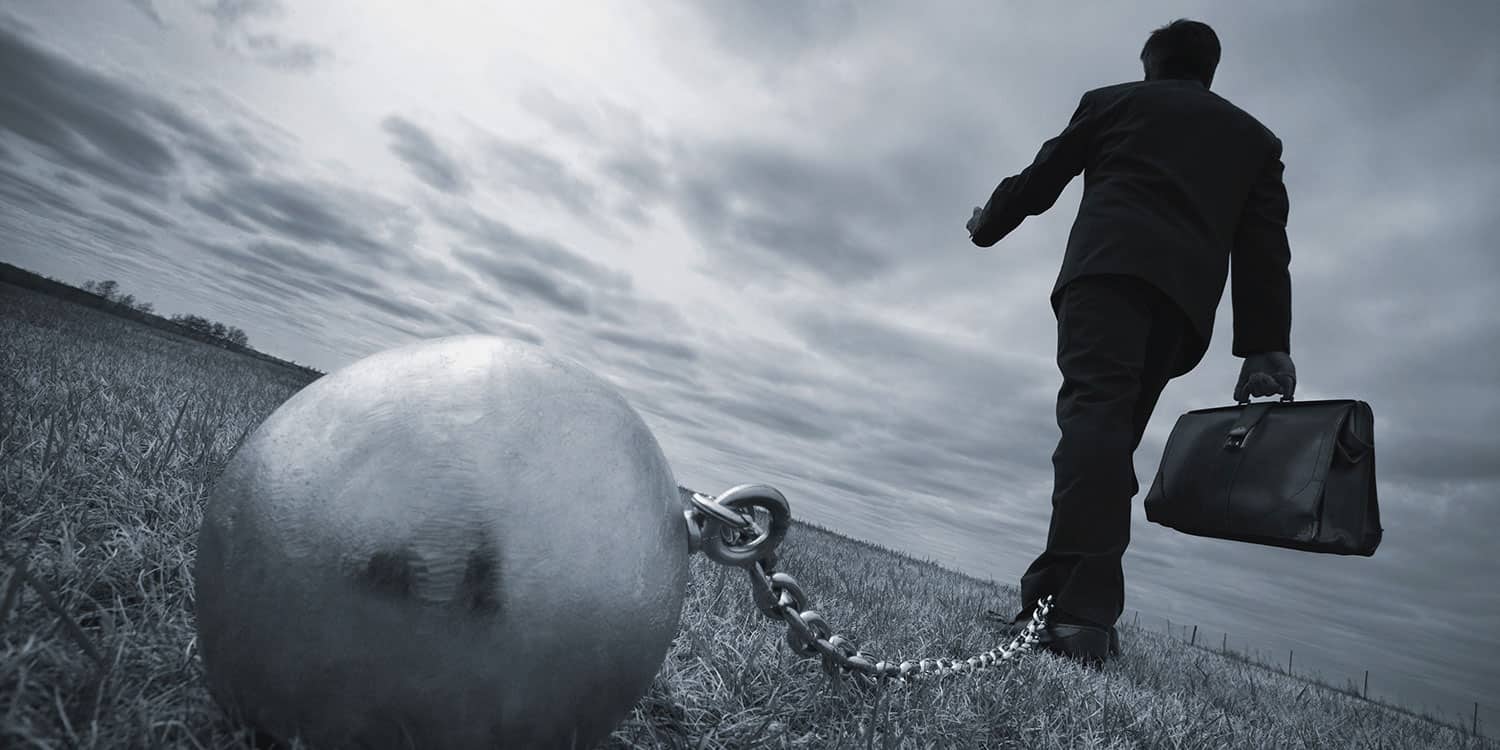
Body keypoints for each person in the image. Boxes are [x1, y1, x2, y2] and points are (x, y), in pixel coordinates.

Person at [966, 18, 1298, 666]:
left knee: (1092, 431)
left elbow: (1041, 180)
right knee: (1107, 443)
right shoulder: (1254, 140)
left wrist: (986, 223)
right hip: (1180, 314)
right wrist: (1264, 347)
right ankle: (1066, 608)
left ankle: (1079, 617)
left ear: (1152, 60)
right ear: (1209, 69)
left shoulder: (1113, 101)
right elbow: (1264, 249)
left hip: (1106, 278)